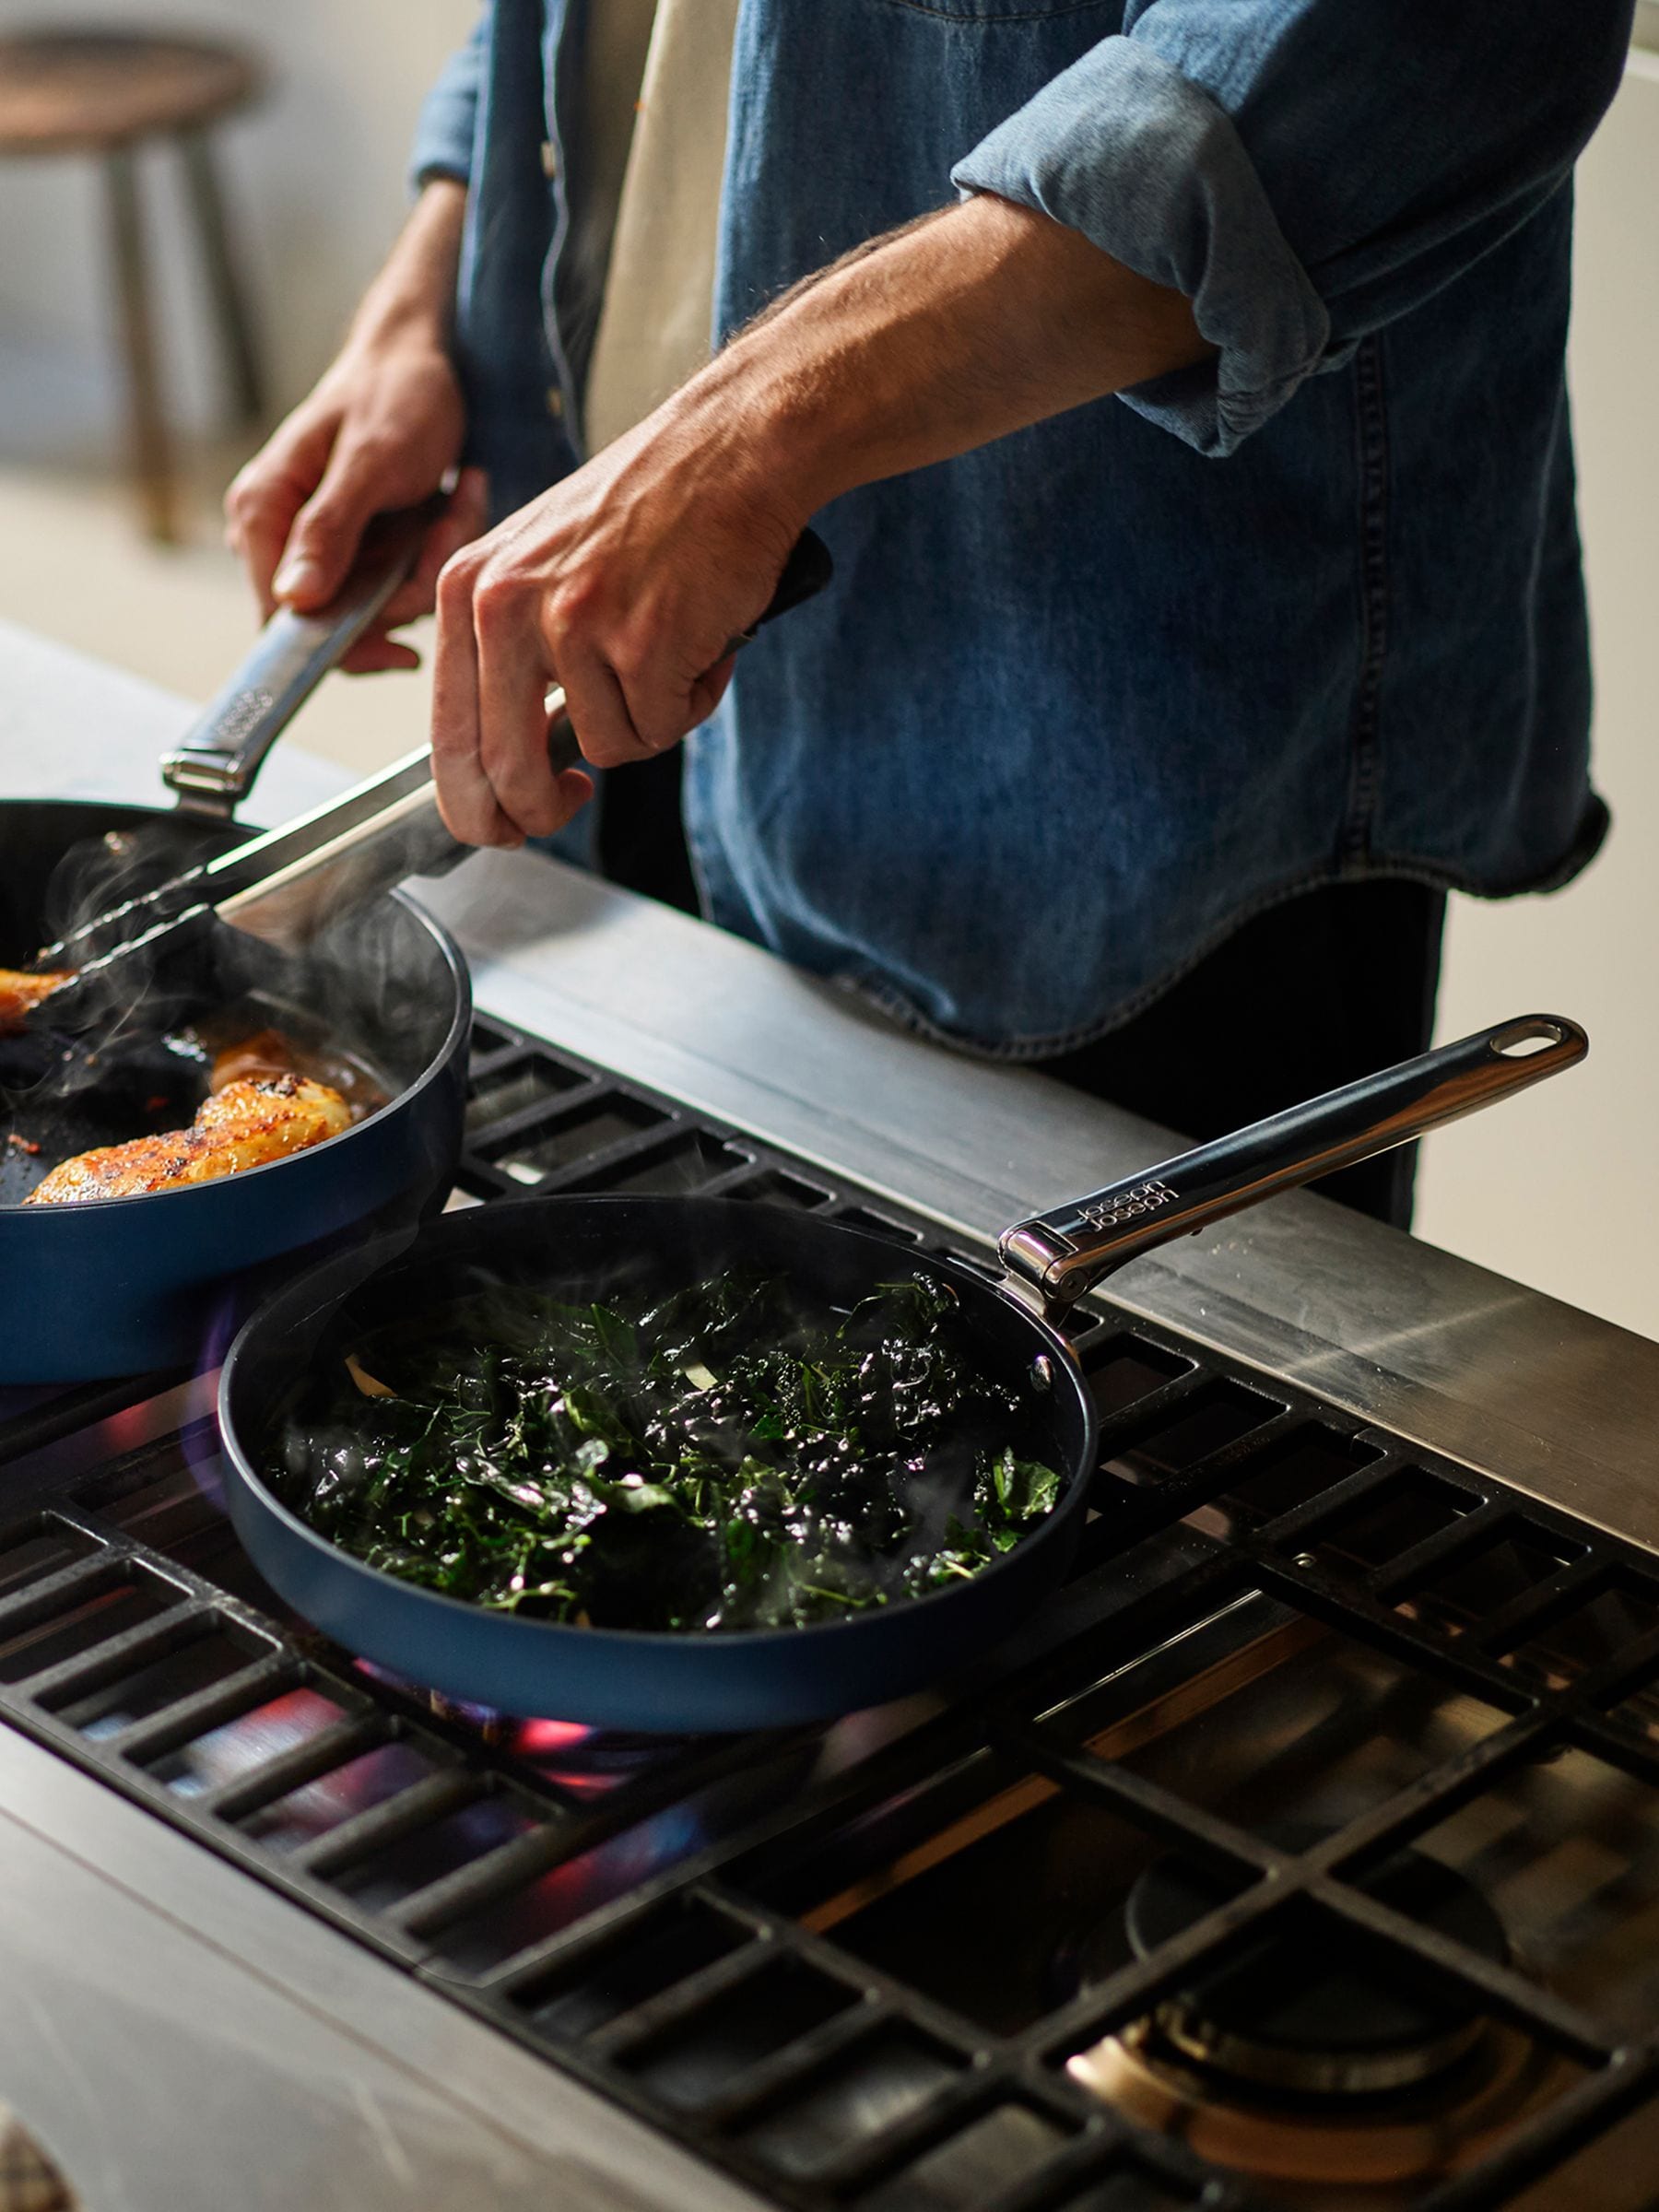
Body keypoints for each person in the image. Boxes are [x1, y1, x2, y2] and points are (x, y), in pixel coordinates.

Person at [226, 0, 1635, 1226]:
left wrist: (745, 437)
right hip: (625, 626)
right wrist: (426, 282)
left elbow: (1391, 36)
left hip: (1127, 762)